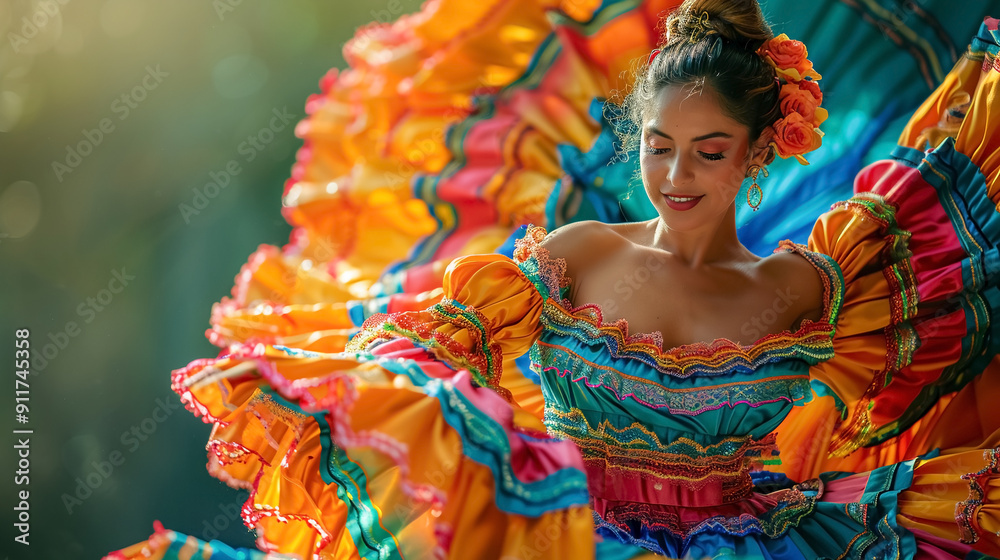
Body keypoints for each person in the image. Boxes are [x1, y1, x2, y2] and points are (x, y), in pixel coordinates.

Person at [105, 0, 1000, 558]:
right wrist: (396, 395)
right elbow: (435, 339)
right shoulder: (580, 253)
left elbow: (951, 221)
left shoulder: (811, 291)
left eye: (710, 153)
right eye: (658, 149)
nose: (676, 178)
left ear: (761, 153)